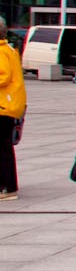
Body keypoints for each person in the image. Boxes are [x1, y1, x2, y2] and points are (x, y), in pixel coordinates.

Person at [0, 19, 21, 202]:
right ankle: (8, 186)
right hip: (9, 105)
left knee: (3, 149)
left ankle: (7, 187)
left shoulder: (1, 51)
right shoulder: (9, 50)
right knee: (4, 148)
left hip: (2, 106)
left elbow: (3, 76)